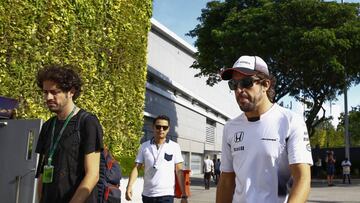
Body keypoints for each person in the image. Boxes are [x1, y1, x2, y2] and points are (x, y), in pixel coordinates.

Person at [216, 55, 313, 203]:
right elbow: (226, 181)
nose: (239, 90)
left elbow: (302, 178)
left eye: (246, 82)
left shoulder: (290, 121)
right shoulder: (230, 127)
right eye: (233, 84)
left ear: (265, 85)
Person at [35, 64, 104, 203]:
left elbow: (93, 174)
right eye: (45, 92)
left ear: (71, 92)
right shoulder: (48, 126)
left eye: (54, 92)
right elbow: (42, 173)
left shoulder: (87, 122)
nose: (48, 97)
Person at [125, 115, 188, 203]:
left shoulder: (174, 147)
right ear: (153, 127)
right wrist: (129, 186)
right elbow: (136, 167)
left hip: (166, 195)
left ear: (168, 129)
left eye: (164, 127)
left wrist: (184, 194)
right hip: (148, 195)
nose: (161, 129)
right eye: (158, 127)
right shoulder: (144, 146)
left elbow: (179, 171)